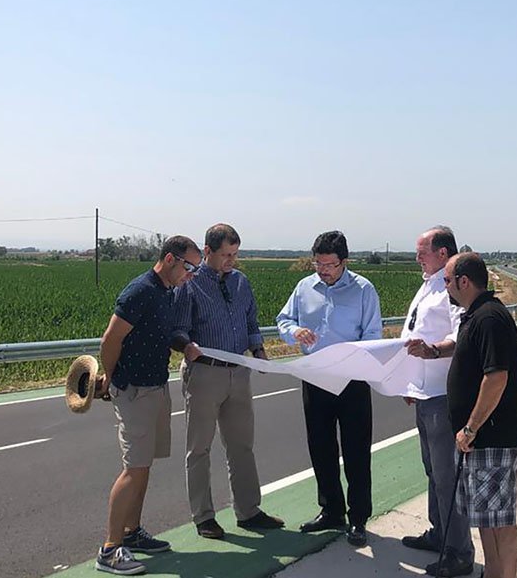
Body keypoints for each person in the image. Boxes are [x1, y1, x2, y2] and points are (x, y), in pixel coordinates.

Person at [95, 236, 202, 576]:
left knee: (144, 466)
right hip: (134, 390)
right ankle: (110, 549)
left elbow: (163, 333)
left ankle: (132, 533)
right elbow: (111, 338)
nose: (191, 275)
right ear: (170, 259)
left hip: (156, 387)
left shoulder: (167, 293)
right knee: (133, 469)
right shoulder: (140, 290)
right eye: (188, 267)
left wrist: (184, 345)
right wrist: (109, 378)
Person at [171, 224, 284, 540]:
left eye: (235, 254)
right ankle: (204, 517)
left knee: (241, 446)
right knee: (199, 449)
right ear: (208, 252)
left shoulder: (240, 282)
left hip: (239, 372)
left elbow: (250, 322)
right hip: (204, 373)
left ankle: (249, 511)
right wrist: (185, 346)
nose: (231, 261)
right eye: (225, 255)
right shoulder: (189, 285)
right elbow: (177, 329)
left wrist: (259, 351)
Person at [276, 230, 382, 547]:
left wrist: (350, 356)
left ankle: (359, 518)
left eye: (329, 264)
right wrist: (295, 331)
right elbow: (283, 321)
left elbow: (373, 335)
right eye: (317, 263)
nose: (322, 270)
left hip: (351, 380)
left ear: (344, 262)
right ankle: (331, 510)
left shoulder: (364, 290)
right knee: (321, 447)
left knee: (356, 451)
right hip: (315, 377)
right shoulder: (304, 287)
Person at [445, 253, 517, 578]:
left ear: (464, 282)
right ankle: (492, 572)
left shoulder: (490, 318)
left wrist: (470, 427)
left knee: (501, 519)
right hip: (477, 440)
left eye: (448, 281)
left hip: (490, 436)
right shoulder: (474, 315)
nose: (446, 287)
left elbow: (496, 378)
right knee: (486, 517)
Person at [401, 227, 475, 577]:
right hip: (424, 394)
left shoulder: (450, 289)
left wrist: (431, 353)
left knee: (448, 478)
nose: (418, 258)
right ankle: (440, 535)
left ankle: (460, 552)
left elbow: (458, 337)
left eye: (423, 252)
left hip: (444, 396)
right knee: (434, 473)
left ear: (443, 253)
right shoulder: (428, 283)